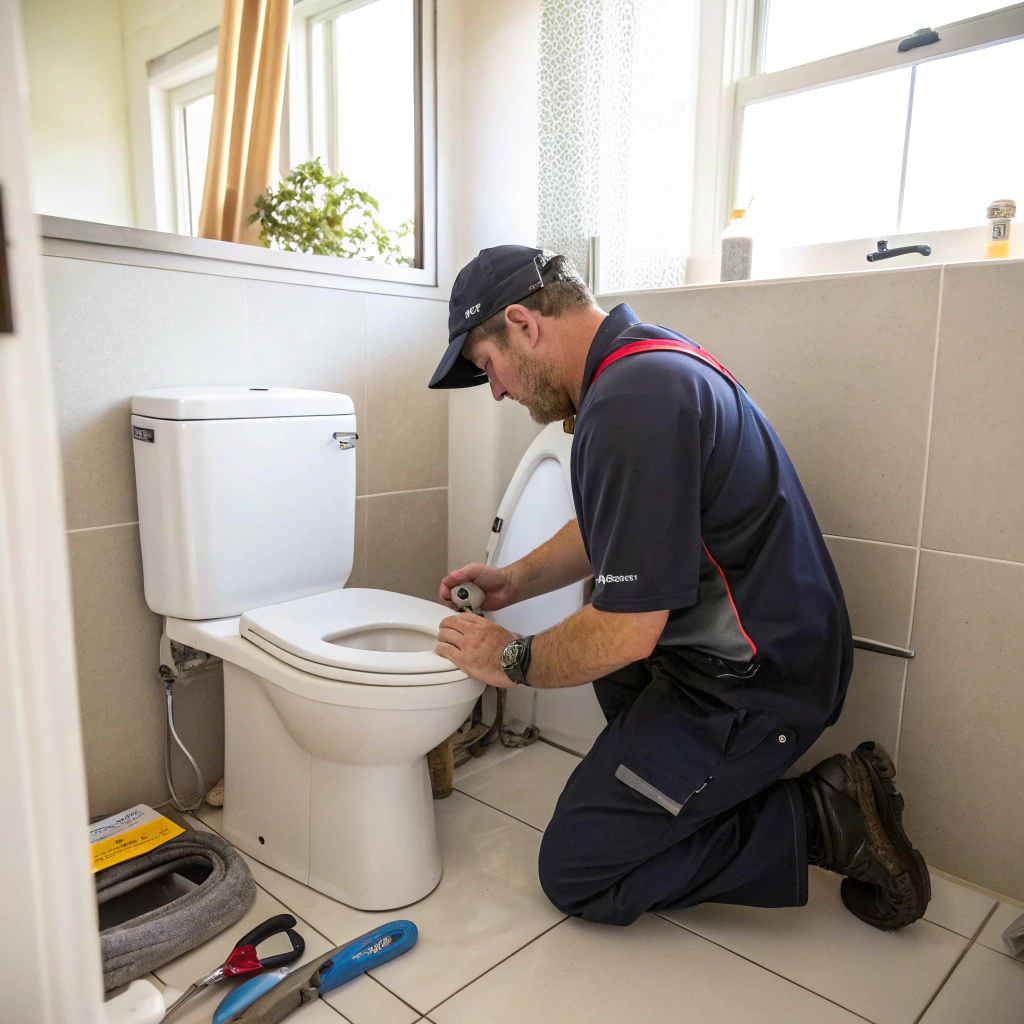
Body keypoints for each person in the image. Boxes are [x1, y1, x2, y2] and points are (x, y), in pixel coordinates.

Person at [428, 245, 930, 931]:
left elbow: (628, 631)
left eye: (490, 366)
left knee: (577, 870)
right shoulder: (642, 363)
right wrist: (514, 579)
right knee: (604, 666)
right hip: (746, 651)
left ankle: (821, 817)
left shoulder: (634, 400)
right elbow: (624, 524)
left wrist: (509, 659)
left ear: (522, 321)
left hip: (757, 680)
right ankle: (683, 792)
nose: (497, 390)